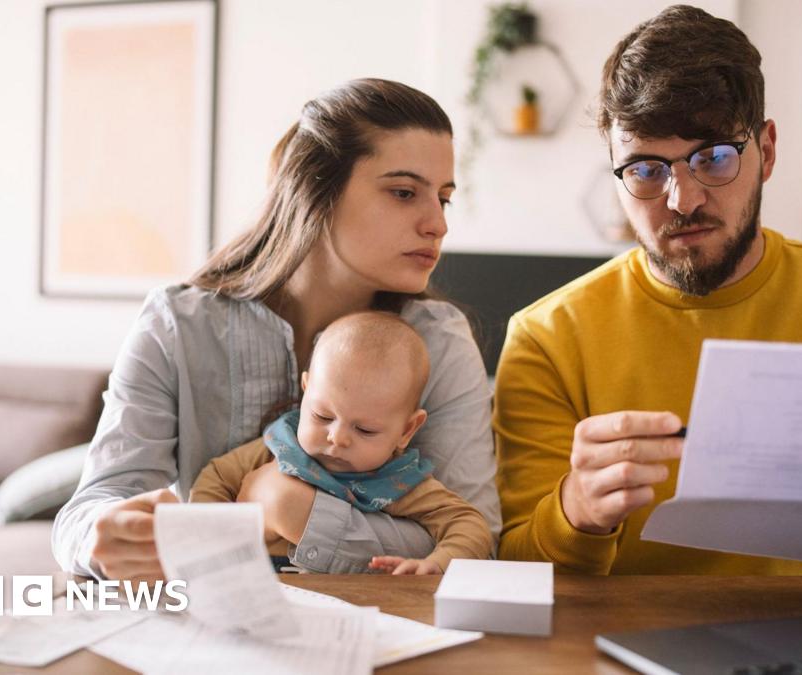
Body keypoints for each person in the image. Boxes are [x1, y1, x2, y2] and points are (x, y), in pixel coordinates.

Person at [493, 5, 802, 576]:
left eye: (714, 157)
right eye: (646, 169)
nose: (683, 200)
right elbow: (513, 573)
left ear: (769, 152)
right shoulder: (546, 339)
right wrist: (577, 512)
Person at [53, 79, 501, 583]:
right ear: (315, 192)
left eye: (444, 199)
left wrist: (292, 509)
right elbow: (89, 508)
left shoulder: (440, 340)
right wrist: (99, 537)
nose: (437, 224)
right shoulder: (177, 326)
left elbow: (477, 539)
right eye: (403, 193)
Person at [190, 311, 493, 575]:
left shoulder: (399, 481)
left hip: (352, 600)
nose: (337, 437)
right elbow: (216, 477)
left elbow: (470, 525)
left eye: (365, 430)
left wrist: (438, 563)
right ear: (306, 390)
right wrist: (209, 542)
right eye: (322, 416)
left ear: (407, 429)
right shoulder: (280, 446)